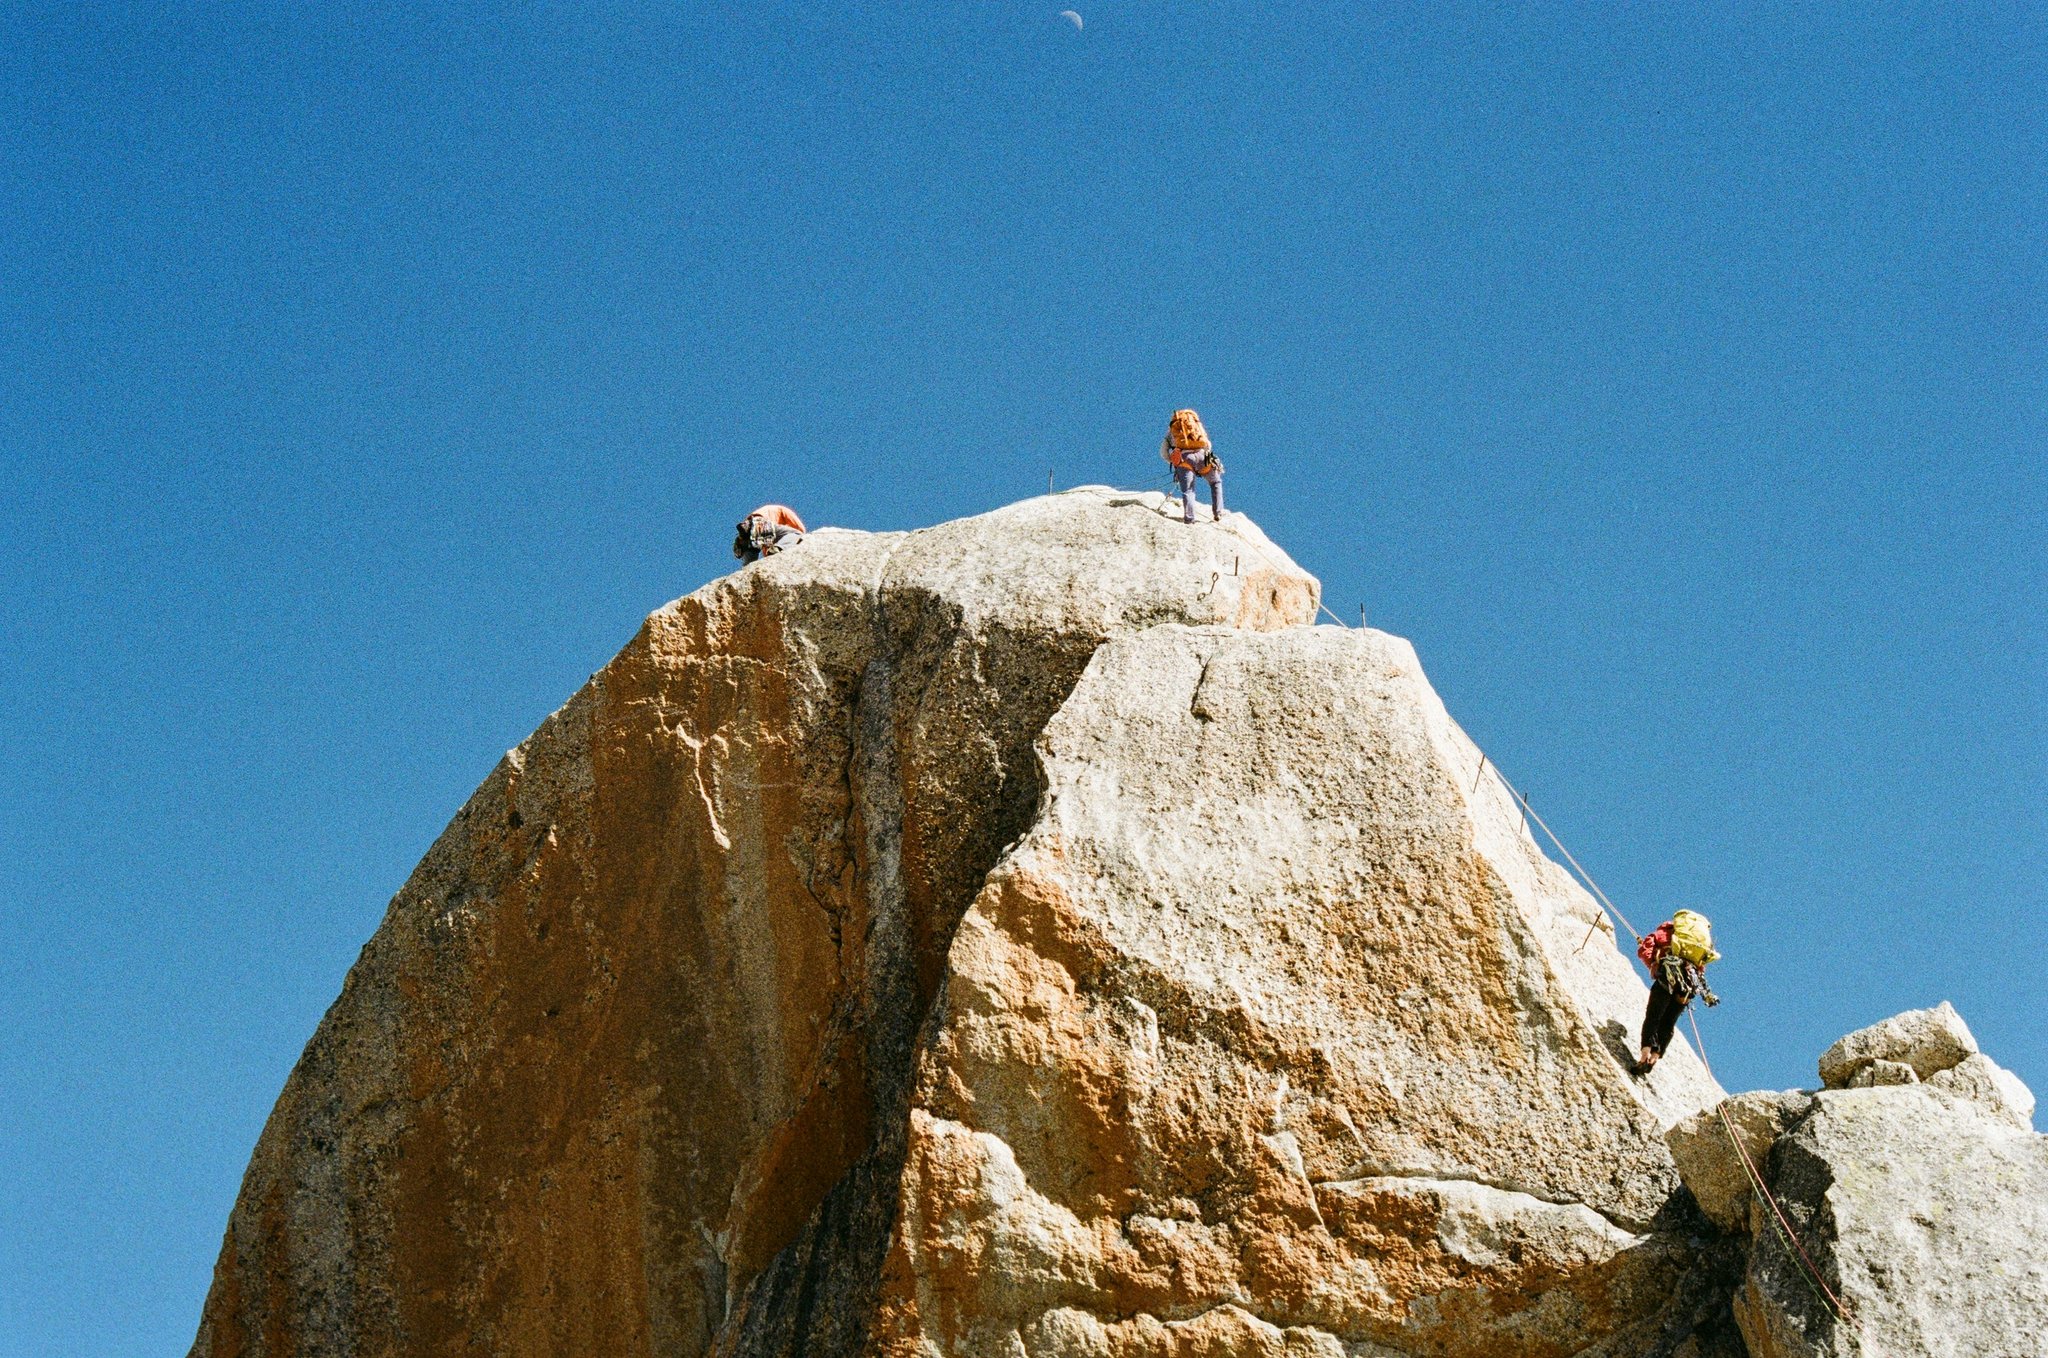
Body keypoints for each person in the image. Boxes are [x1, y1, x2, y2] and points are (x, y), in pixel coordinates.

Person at [1634, 910, 1720, 1075]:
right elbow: (1701, 967)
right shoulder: (1699, 942)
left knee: (1654, 1016)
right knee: (1668, 1022)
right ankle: (1655, 1056)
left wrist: (1653, 965)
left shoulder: (1665, 932)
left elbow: (1645, 949)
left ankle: (1644, 1056)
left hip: (1667, 979)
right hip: (1687, 985)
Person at [1160, 409, 1224, 524]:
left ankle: (1189, 519)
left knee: (1189, 490)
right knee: (1215, 482)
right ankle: (1218, 513)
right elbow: (1207, 445)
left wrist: (1175, 462)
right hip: (1204, 455)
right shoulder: (1197, 427)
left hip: (1184, 459)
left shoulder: (1171, 432)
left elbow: (1163, 452)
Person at [733, 504, 806, 564]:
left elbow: (767, 548)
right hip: (759, 525)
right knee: (797, 533)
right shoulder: (782, 510)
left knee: (749, 567)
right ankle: (779, 547)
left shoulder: (769, 511)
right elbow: (800, 529)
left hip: (746, 534)